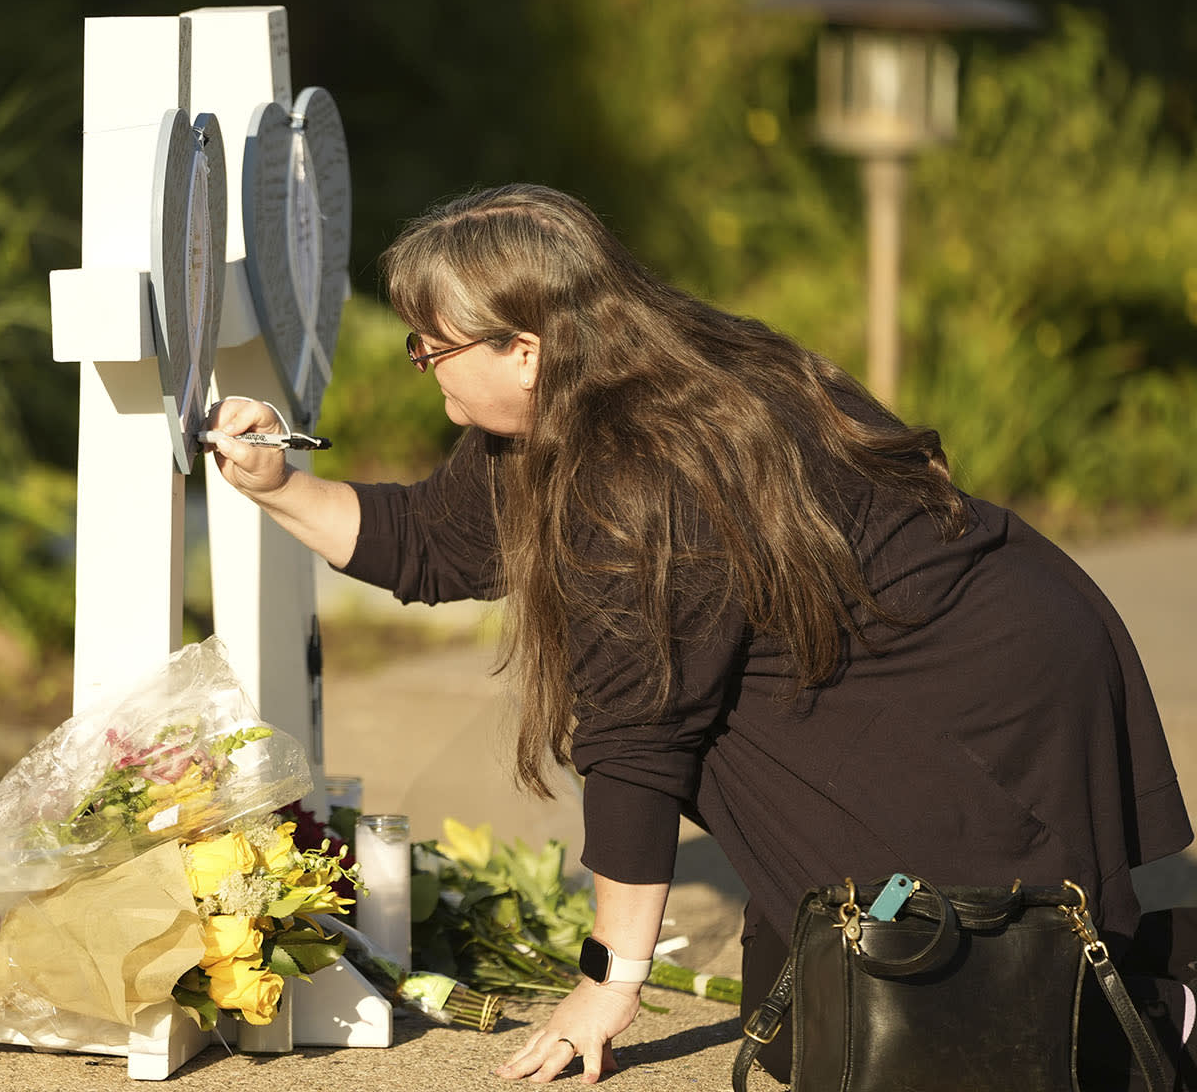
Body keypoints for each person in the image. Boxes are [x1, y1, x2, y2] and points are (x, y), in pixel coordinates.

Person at [206, 183, 1194, 1086]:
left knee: (941, 1023)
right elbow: (430, 544)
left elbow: (640, 741)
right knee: (816, 1017)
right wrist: (277, 484)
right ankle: (1114, 974)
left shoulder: (632, 471)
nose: (419, 364)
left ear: (525, 348)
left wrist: (609, 981)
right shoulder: (567, 406)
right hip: (909, 663)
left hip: (974, 683)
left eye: (431, 345)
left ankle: (1161, 1015)